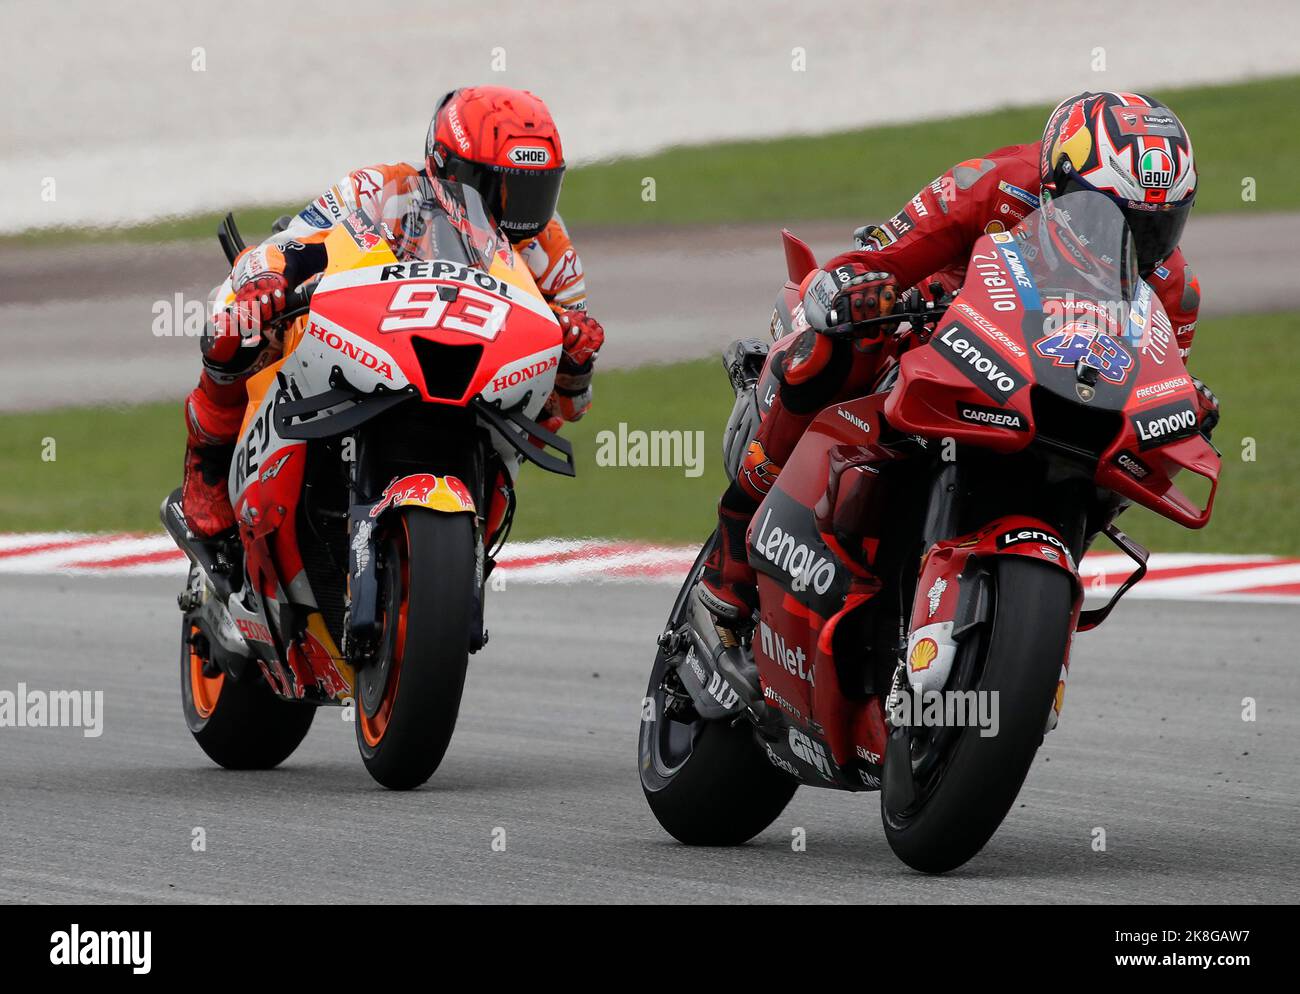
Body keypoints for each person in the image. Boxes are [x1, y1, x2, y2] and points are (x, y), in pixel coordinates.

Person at [698, 90, 1219, 625]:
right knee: (843, 338)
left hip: (1049, 397)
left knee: (1134, 446)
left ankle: (1040, 590)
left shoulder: (1174, 288)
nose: (1134, 242)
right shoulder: (991, 183)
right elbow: (874, 256)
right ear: (1059, 184)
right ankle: (738, 525)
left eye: (1158, 225)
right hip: (939, 353)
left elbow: (1151, 382)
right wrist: (858, 286)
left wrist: (1186, 408)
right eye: (1112, 217)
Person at [181, 85, 605, 537]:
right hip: (368, 348)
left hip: (478, 386)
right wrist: (266, 281)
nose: (517, 214)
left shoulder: (553, 253)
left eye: (534, 193)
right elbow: (284, 246)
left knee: (542, 420)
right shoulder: (381, 188)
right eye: (500, 190)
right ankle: (205, 466)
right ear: (447, 166)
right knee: (237, 319)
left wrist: (575, 366)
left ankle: (471, 539)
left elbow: (570, 404)